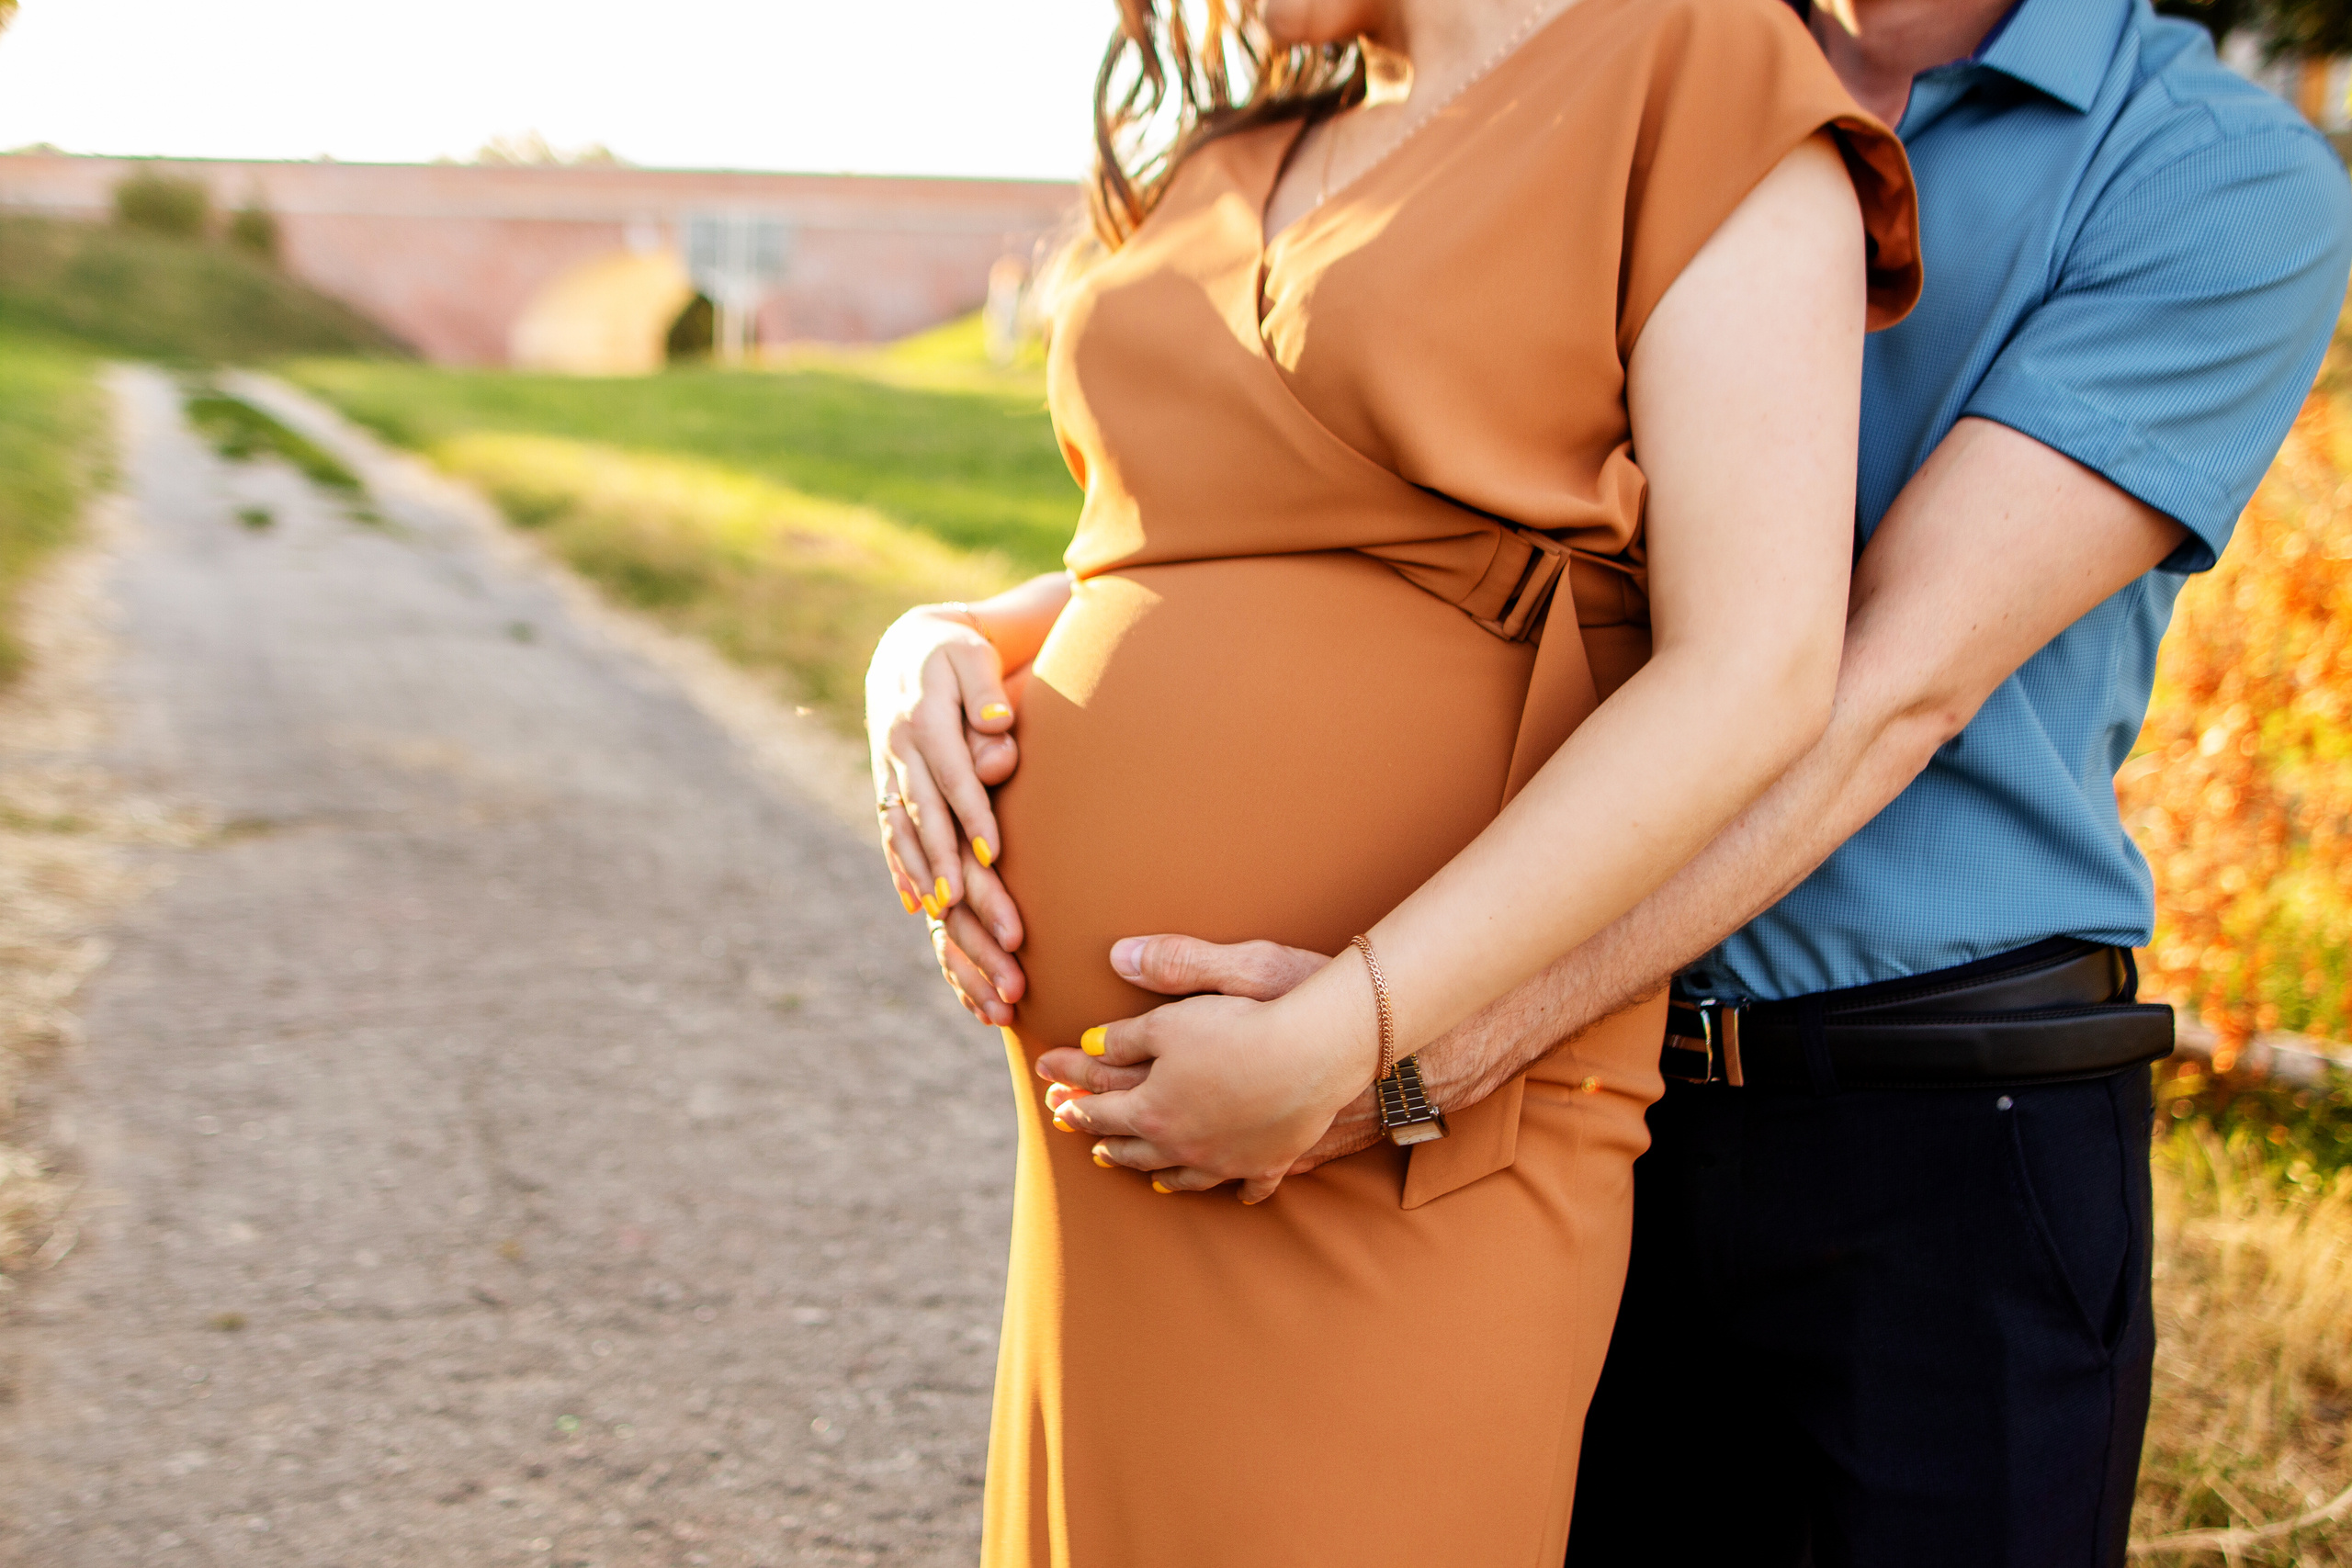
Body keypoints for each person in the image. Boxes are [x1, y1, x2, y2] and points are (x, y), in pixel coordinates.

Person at [898, 0, 2352, 1562]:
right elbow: (1396, 527)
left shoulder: (2208, 172)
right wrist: (952, 641)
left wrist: (1407, 1061)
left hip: (1907, 1119)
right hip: (1531, 1068)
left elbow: (1870, 694)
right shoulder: (1600, 51)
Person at [862, 0, 1923, 1560]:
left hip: (1418, 1116)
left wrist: (1348, 1034)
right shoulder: (1242, 149)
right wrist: (936, 644)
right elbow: (1161, 559)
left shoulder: (1700, 70)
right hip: (1114, 1144)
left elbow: (1756, 666)